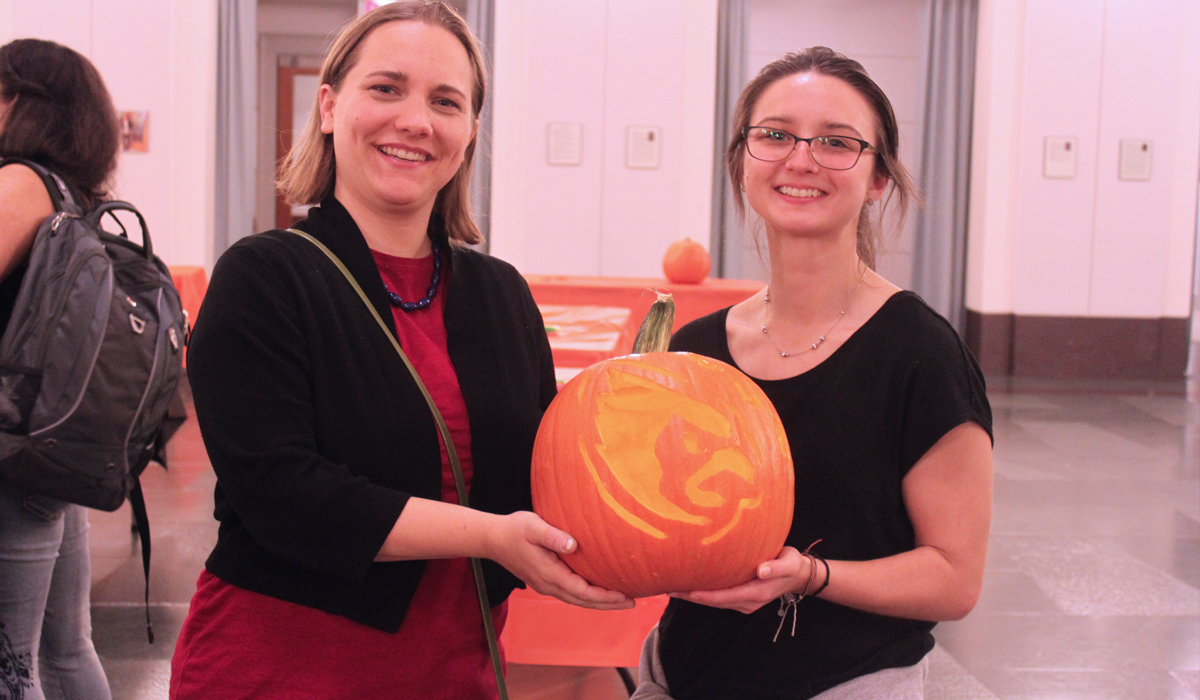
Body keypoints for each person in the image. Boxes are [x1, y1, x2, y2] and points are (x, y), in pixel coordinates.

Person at [169, 3, 630, 698]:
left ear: (469, 133)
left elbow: (549, 476)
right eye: (386, 88)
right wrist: (489, 536)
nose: (416, 120)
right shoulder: (264, 277)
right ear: (329, 106)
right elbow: (282, 495)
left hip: (456, 677)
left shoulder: (501, 293)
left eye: (446, 101)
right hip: (275, 673)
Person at [634, 47, 994, 700]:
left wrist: (811, 575)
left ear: (879, 177)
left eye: (837, 142)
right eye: (774, 135)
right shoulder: (696, 349)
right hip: (681, 675)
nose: (802, 159)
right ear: (742, 159)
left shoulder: (919, 354)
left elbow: (955, 578)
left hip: (845, 684)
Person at [0, 38, 119, 700]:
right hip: (49, 451)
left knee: (10, 669)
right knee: (66, 648)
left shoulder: (18, 183)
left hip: (11, 453)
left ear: (19, 102)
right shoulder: (75, 196)